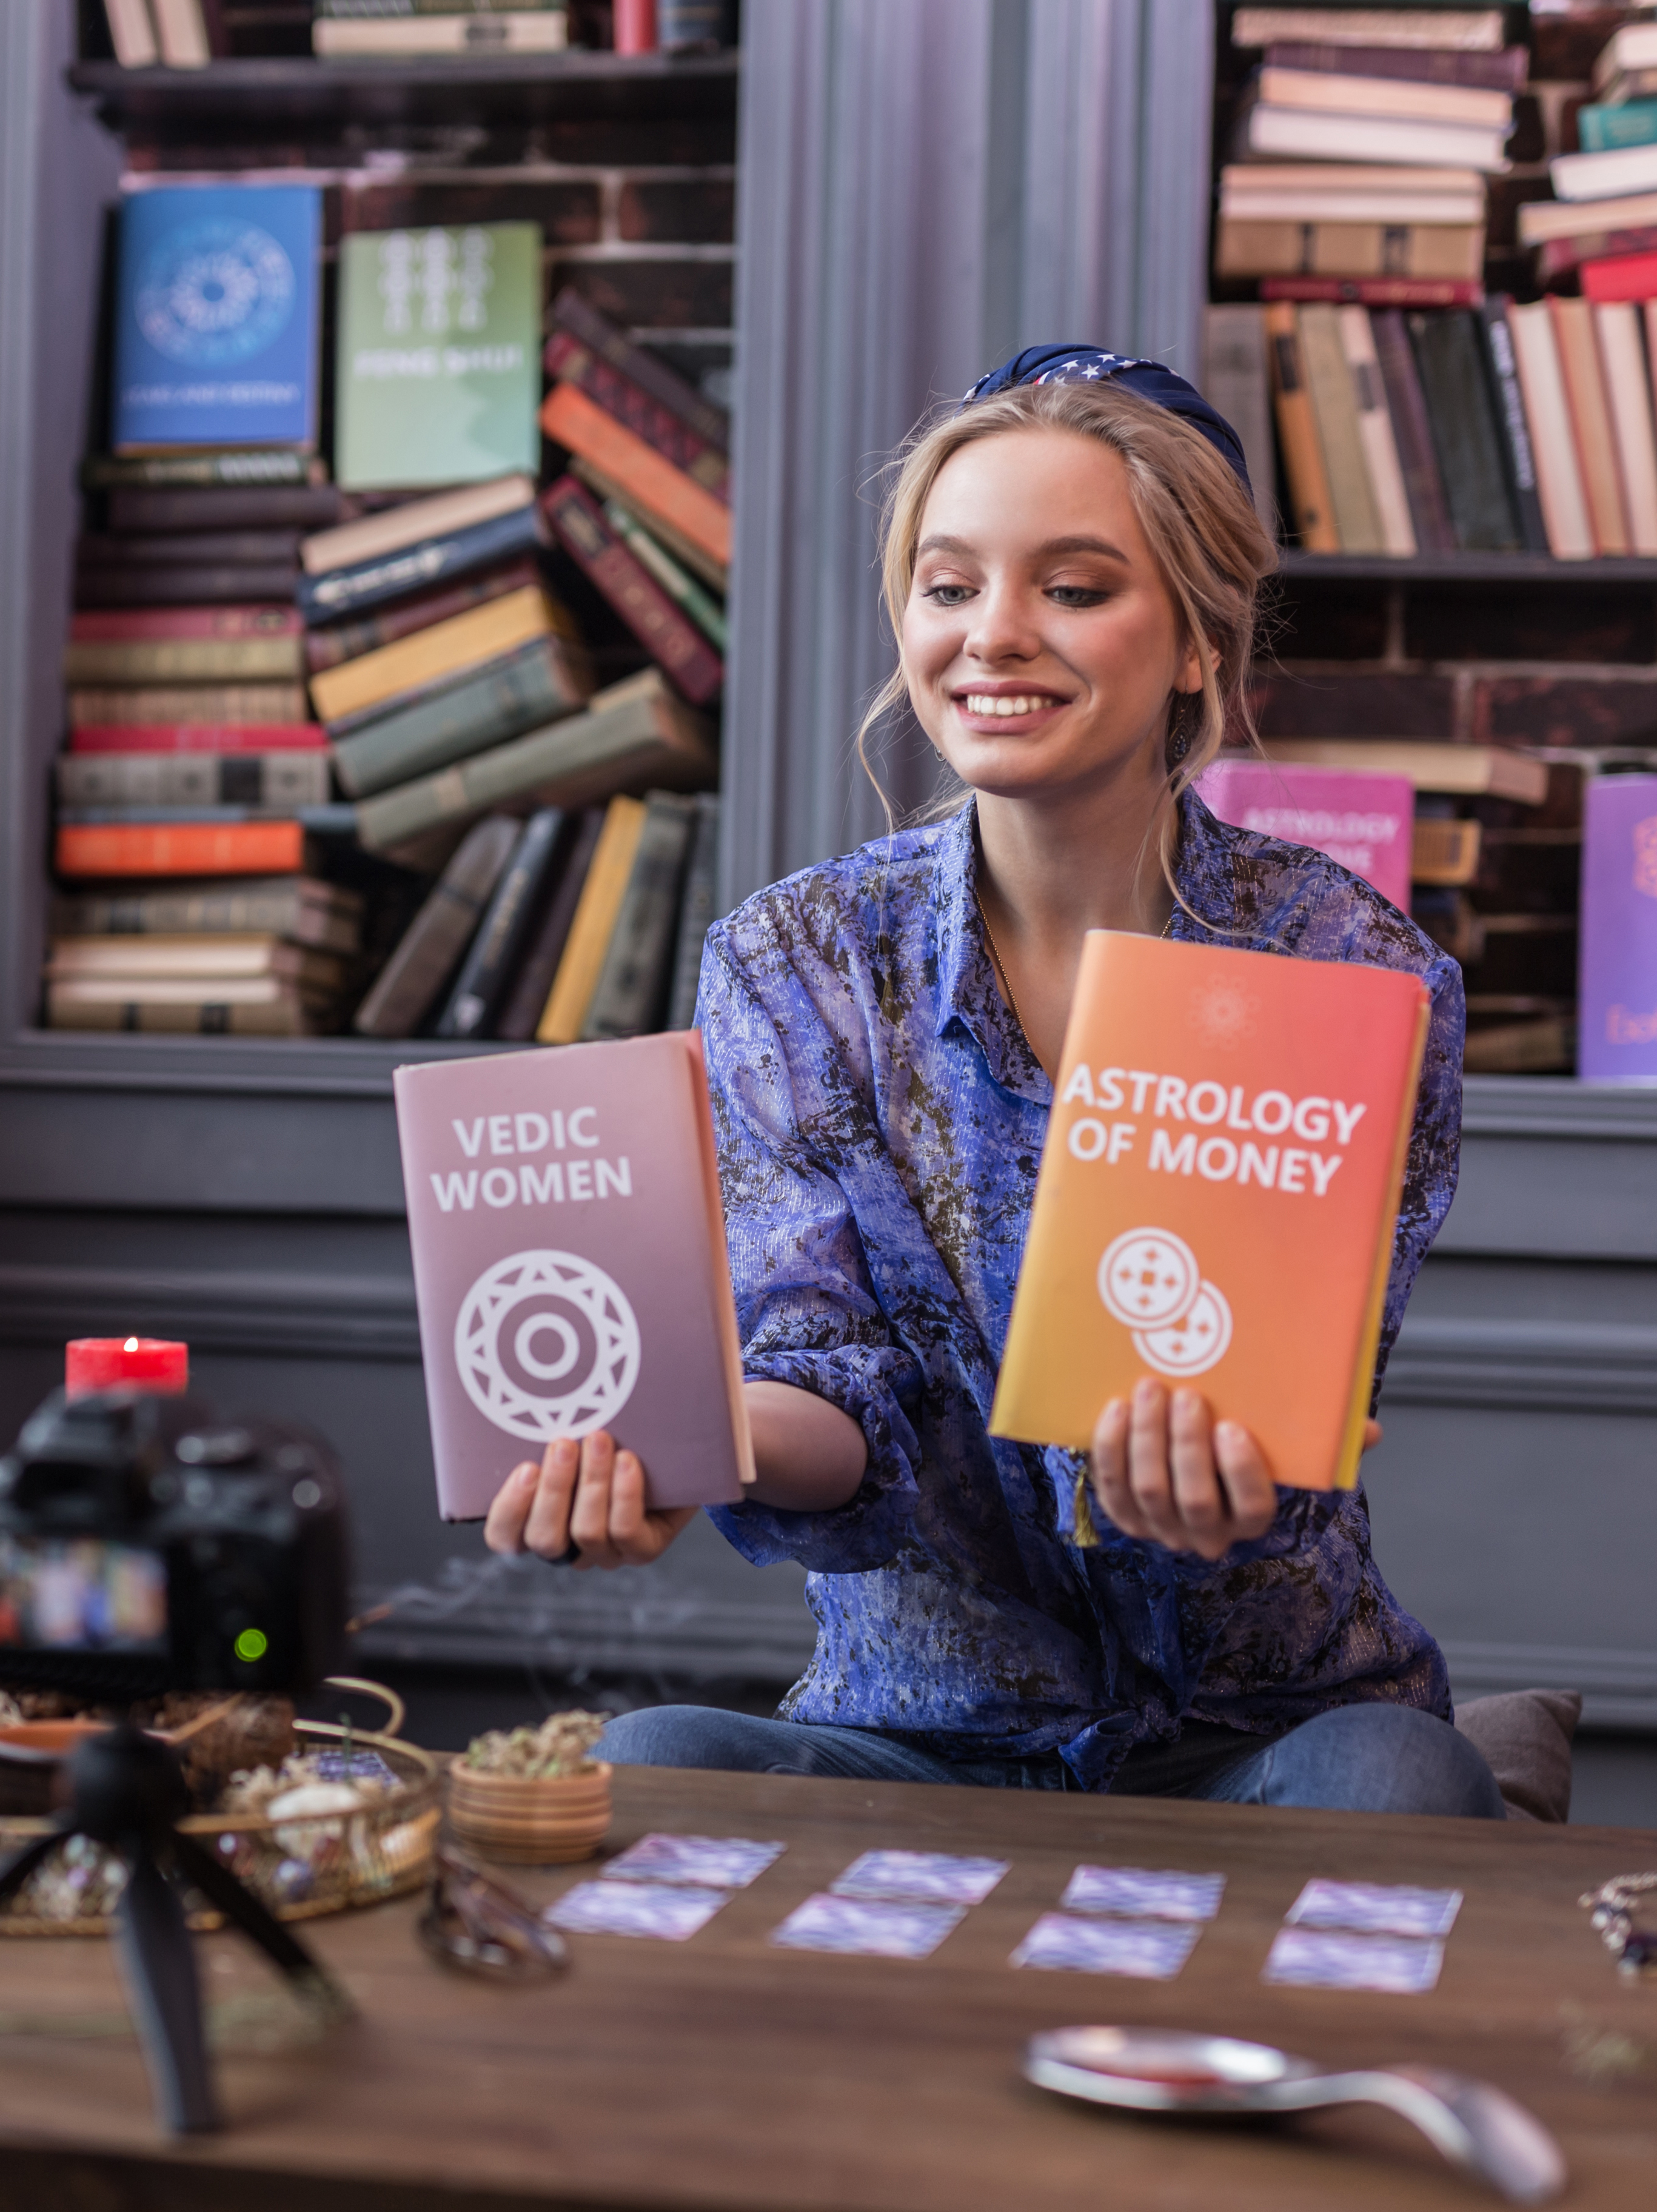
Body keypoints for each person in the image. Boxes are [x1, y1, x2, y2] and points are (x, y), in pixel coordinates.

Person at [480, 347, 1499, 1817]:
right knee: (643, 1771)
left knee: (1402, 1778)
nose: (994, 636)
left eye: (1073, 589)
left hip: (1261, 1731)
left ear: (1199, 642)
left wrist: (1232, 1468)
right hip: (915, 1740)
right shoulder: (795, 958)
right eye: (949, 587)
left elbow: (1285, 1408)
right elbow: (825, 1371)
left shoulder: (1349, 970)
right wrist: (690, 1448)